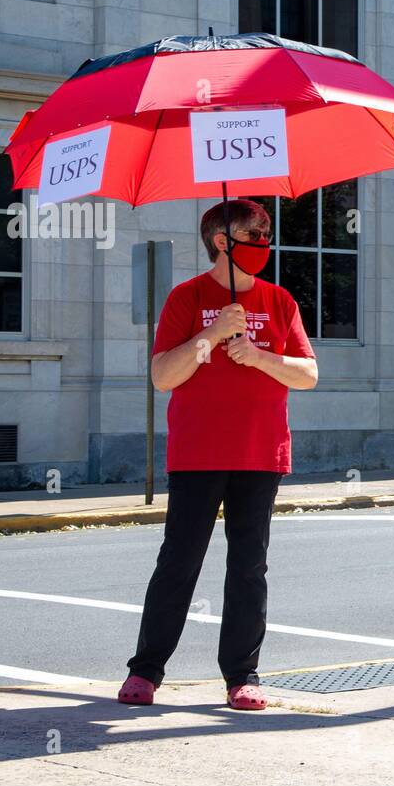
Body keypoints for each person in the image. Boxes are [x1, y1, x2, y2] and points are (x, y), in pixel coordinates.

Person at [117, 198, 318, 711]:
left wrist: (257, 355)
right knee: (179, 564)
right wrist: (210, 334)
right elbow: (163, 376)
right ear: (222, 242)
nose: (264, 241)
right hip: (198, 453)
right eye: (255, 232)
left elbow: (308, 375)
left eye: (267, 231)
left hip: (259, 454)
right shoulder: (187, 297)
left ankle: (242, 676)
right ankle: (145, 672)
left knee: (249, 568)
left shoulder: (280, 302)